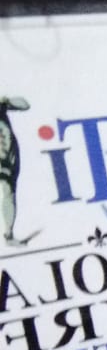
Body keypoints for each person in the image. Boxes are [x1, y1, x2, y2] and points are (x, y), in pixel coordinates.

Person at [1, 94, 31, 246]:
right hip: (4, 154)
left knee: (9, 192)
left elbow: (25, 105)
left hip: (8, 153)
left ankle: (9, 235)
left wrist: (6, 100)